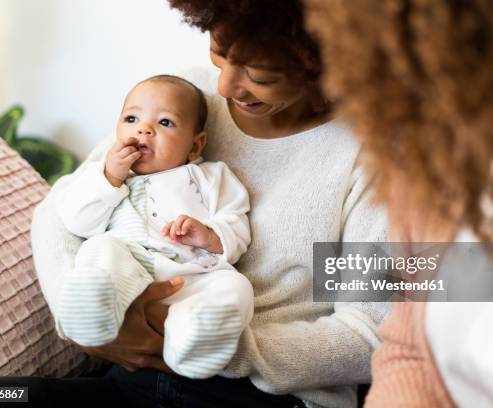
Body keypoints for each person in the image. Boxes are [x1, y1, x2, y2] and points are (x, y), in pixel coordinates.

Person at [21, 1, 388, 407]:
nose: (227, 87)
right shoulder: (182, 96)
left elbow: (370, 331)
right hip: (132, 381)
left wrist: (222, 347)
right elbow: (60, 210)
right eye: (220, 49)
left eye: (261, 75)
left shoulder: (372, 155)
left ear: (330, 66)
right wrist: (95, 328)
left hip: (260, 395)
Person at [304, 0, 493, 406]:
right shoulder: (427, 178)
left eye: (391, 63)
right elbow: (410, 352)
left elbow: (360, 321)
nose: (341, 89)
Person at [55, 74, 253, 380]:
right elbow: (76, 222)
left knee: (236, 287)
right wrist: (109, 177)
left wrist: (210, 235)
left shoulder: (211, 176)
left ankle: (195, 339)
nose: (144, 129)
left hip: (191, 280)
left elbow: (237, 224)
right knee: (99, 248)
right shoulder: (103, 176)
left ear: (195, 145)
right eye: (131, 118)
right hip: (126, 275)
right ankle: (95, 306)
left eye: (165, 123)